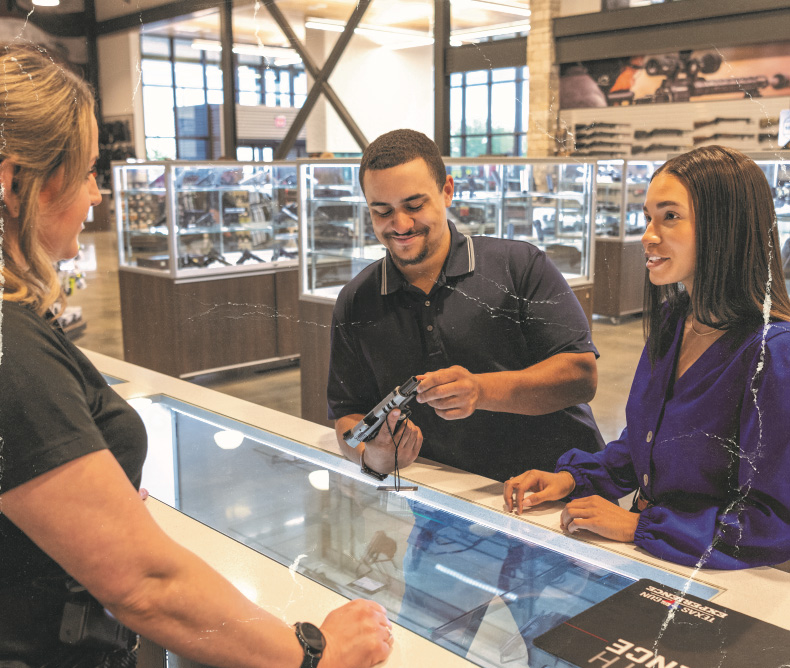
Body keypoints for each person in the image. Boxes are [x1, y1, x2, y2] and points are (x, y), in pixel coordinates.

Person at [0, 43, 393, 666]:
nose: (98, 195)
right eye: (85, 172)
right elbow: (146, 585)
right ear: (16, 182)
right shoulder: (11, 353)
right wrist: (313, 656)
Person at [505, 145, 790, 570]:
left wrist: (638, 526)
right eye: (647, 217)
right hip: (659, 563)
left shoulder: (773, 353)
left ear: (725, 227)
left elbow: (771, 522)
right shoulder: (676, 318)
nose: (648, 235)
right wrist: (574, 478)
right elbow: (647, 443)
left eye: (670, 217)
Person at [328, 128, 604, 484]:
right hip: (445, 503)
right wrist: (374, 457)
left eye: (414, 206)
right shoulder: (355, 300)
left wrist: (481, 390)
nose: (401, 225)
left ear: (447, 191)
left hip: (554, 492)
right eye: (382, 211)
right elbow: (348, 415)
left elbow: (581, 377)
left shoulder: (519, 265)